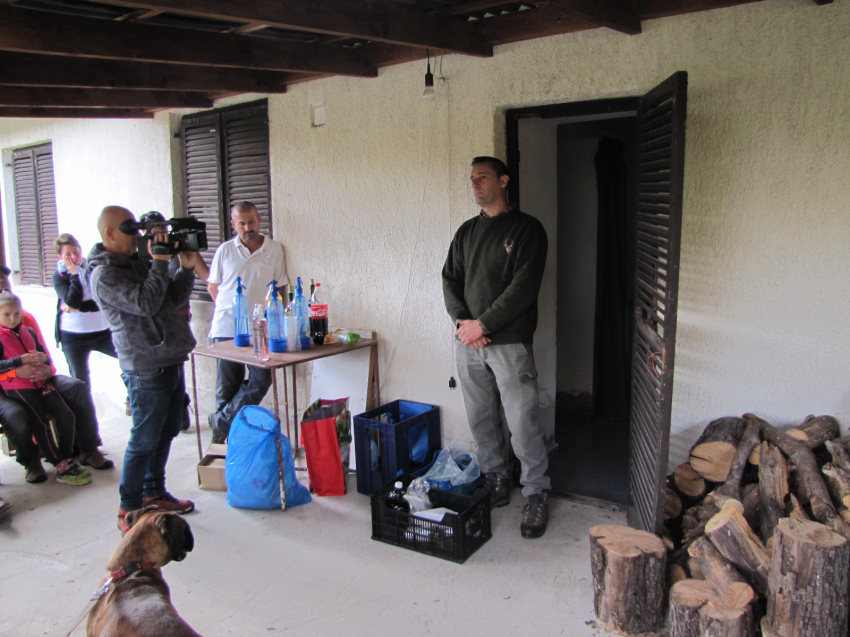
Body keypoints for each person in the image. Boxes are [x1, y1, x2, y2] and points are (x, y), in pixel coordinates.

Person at [442, 156, 551, 539]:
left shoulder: (527, 229)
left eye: (483, 177)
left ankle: (536, 491)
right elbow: (449, 280)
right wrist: (464, 324)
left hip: (509, 343)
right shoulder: (467, 232)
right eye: (471, 178)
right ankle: (497, 480)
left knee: (522, 422)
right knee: (480, 417)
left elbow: (522, 287)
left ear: (504, 181)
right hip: (468, 342)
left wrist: (483, 325)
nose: (475, 184)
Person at [88, 205, 197, 534]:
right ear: (109, 233)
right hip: (145, 364)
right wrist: (160, 262)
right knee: (144, 438)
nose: (137, 238)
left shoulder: (138, 262)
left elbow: (171, 298)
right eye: (129, 231)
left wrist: (186, 269)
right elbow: (145, 303)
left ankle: (154, 491)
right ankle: (130, 505)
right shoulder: (103, 274)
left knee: (166, 431)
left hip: (170, 355)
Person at [0, 265, 113, 484]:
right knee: (16, 415)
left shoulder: (25, 319)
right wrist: (16, 371)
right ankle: (32, 461)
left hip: (37, 378)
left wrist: (47, 369)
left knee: (76, 387)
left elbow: (43, 353)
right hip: (8, 386)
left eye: (5, 284)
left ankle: (87, 449)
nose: (2, 289)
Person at [206, 201, 288, 443]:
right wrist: (232, 311)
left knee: (261, 379)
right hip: (225, 327)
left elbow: (280, 286)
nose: (247, 227)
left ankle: (220, 422)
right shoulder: (225, 250)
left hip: (259, 329)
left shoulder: (274, 249)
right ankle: (223, 443)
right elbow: (214, 287)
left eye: (251, 221)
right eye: (241, 223)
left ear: (259, 219)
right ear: (234, 224)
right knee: (227, 387)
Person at [137, 212, 210, 431]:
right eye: (153, 233)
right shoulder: (141, 257)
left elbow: (206, 278)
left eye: (163, 232)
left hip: (178, 317)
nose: (160, 237)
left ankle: (181, 406)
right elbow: (146, 299)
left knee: (175, 371)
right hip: (151, 327)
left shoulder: (176, 247)